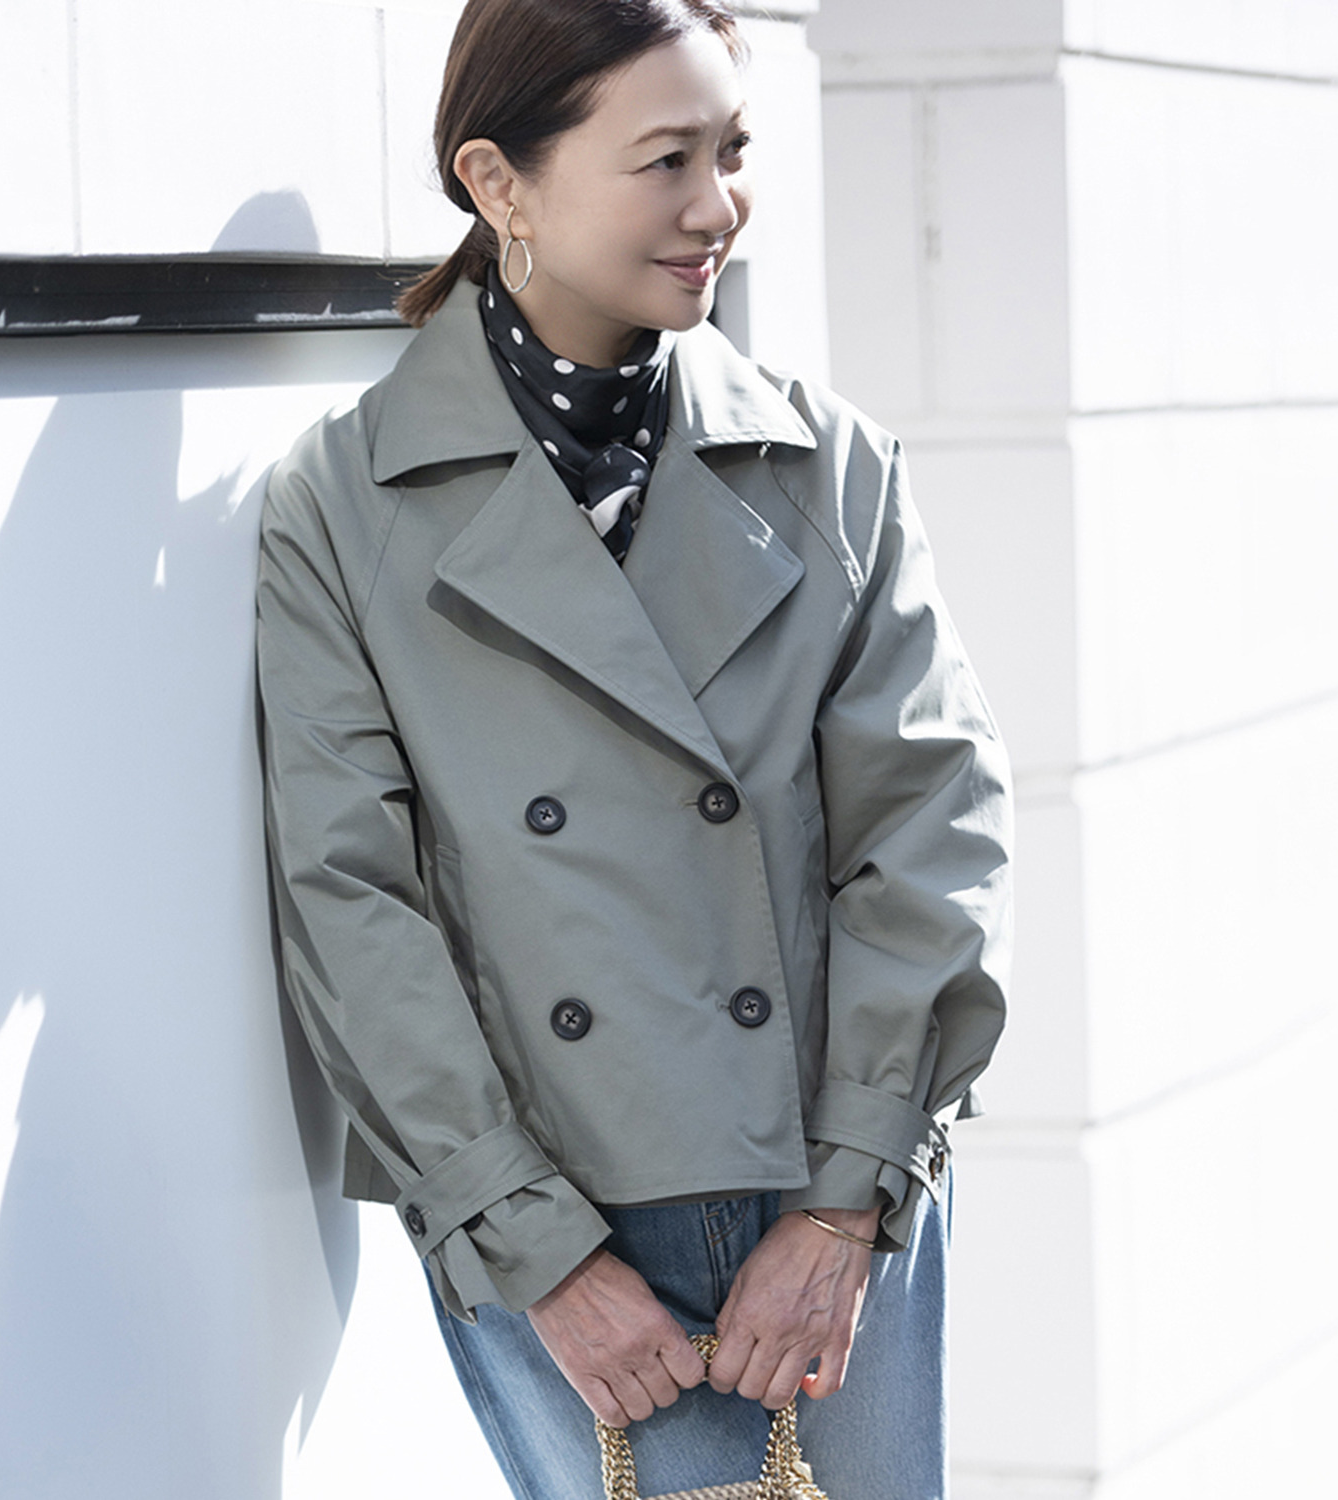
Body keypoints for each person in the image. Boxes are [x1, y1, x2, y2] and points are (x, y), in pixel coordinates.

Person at [256, 1, 1011, 1495]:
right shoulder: (343, 507)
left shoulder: (830, 466)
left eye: (732, 151)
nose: (718, 206)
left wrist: (848, 1202)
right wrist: (532, 1244)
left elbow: (934, 824)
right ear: (500, 183)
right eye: (667, 159)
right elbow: (348, 905)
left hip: (829, 1176)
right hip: (564, 1225)